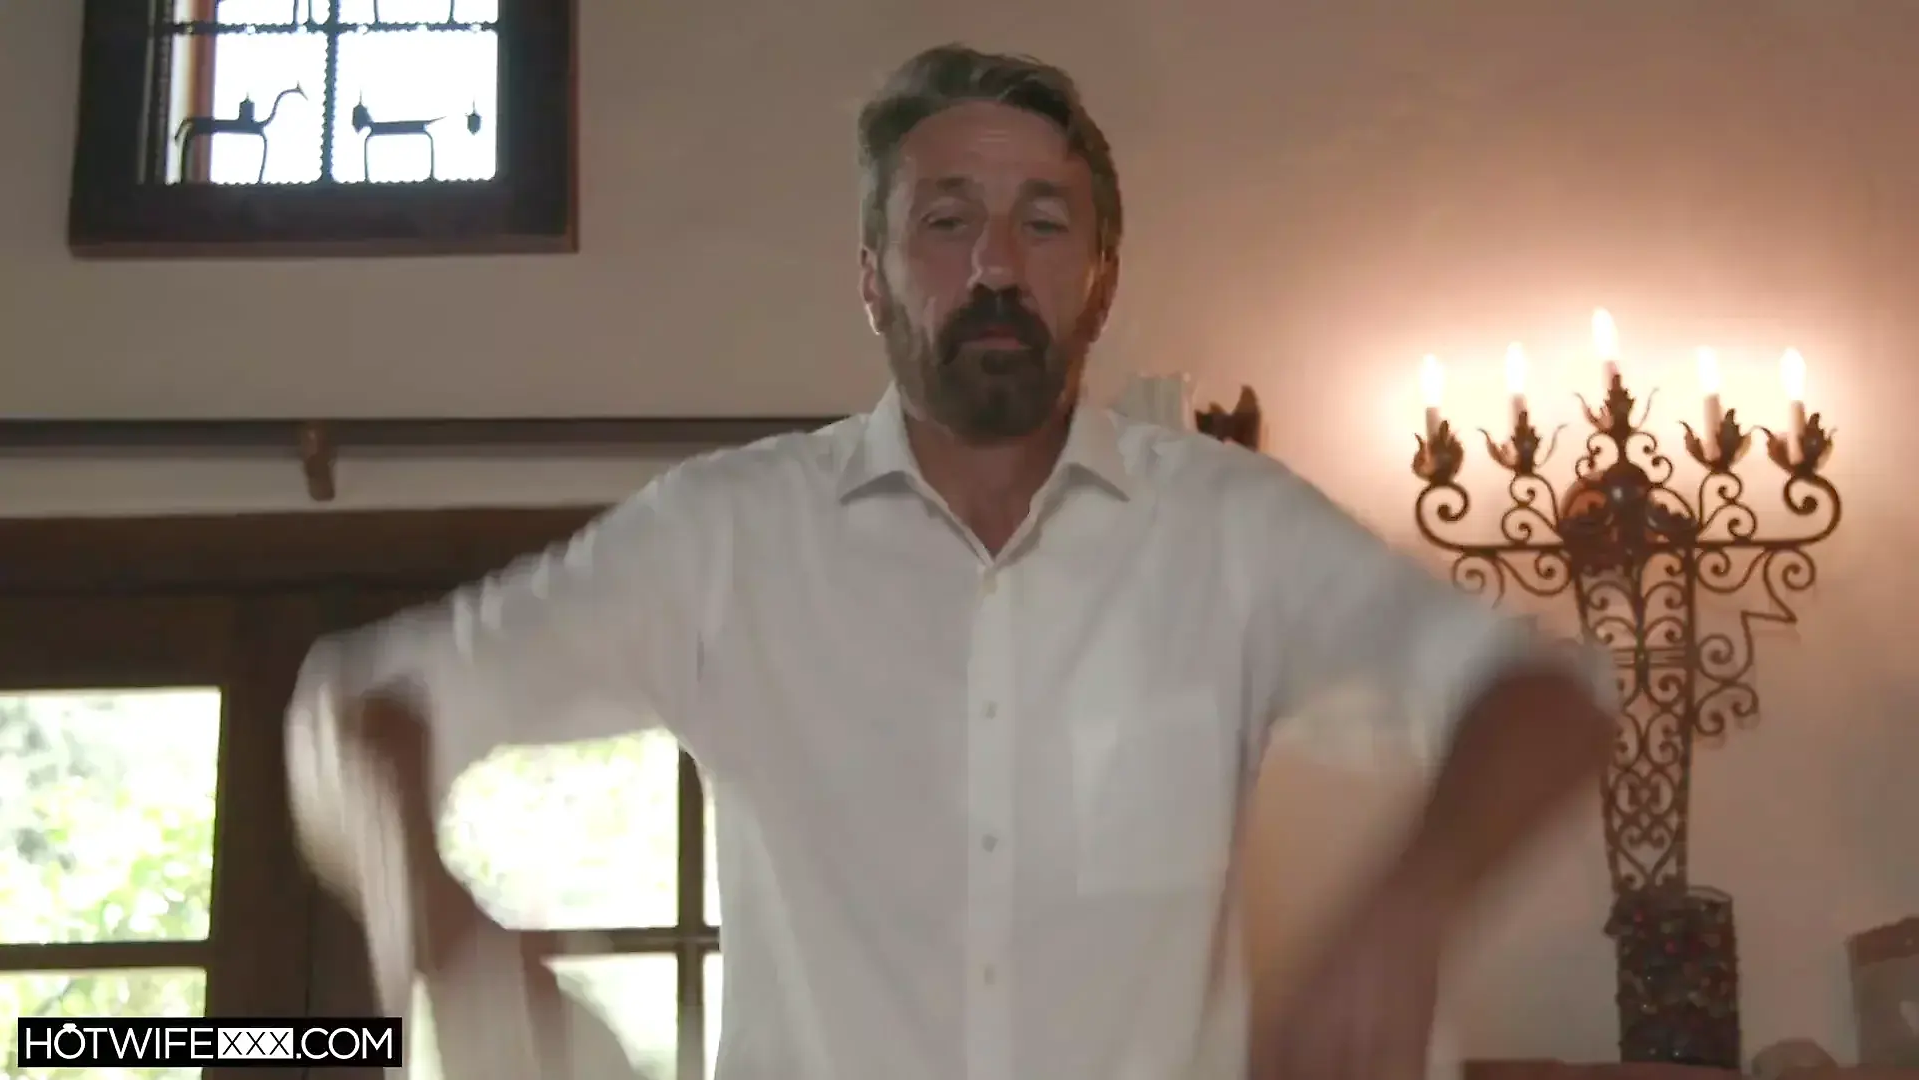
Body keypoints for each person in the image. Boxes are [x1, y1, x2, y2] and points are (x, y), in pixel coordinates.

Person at [285, 43, 1618, 1080]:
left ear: (1098, 279)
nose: (995, 264)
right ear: (871, 277)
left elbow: (1544, 699)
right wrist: (430, 909)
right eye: (945, 221)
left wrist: (1408, 913)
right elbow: (357, 706)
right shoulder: (725, 536)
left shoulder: (1235, 533)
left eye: (1044, 222)